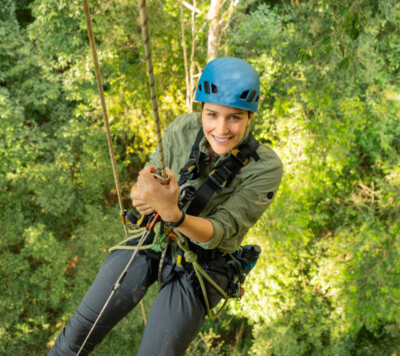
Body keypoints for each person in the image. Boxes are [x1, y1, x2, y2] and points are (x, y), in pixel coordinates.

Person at [48, 57, 283, 356]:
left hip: (204, 263)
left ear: (250, 116)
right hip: (153, 239)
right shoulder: (183, 128)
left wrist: (172, 212)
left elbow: (220, 231)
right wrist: (143, 194)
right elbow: (143, 185)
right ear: (202, 111)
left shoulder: (265, 166)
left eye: (234, 117)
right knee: (78, 334)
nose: (221, 129)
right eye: (212, 115)